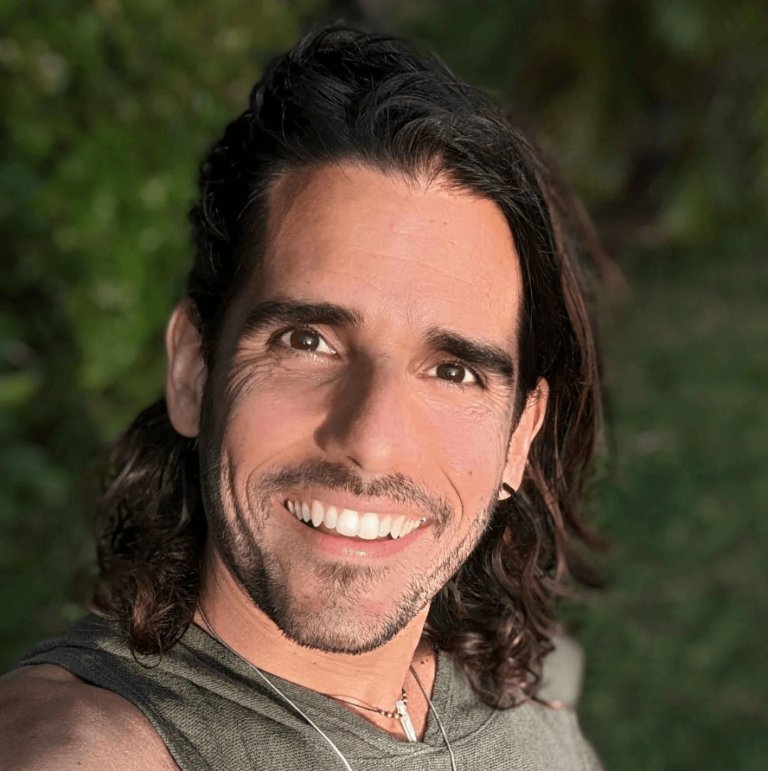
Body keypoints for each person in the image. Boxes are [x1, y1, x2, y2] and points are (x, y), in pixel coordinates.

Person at [0, 24, 608, 771]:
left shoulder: (515, 698)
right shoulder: (84, 747)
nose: (372, 440)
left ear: (519, 438)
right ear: (193, 370)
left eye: (453, 371)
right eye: (307, 341)